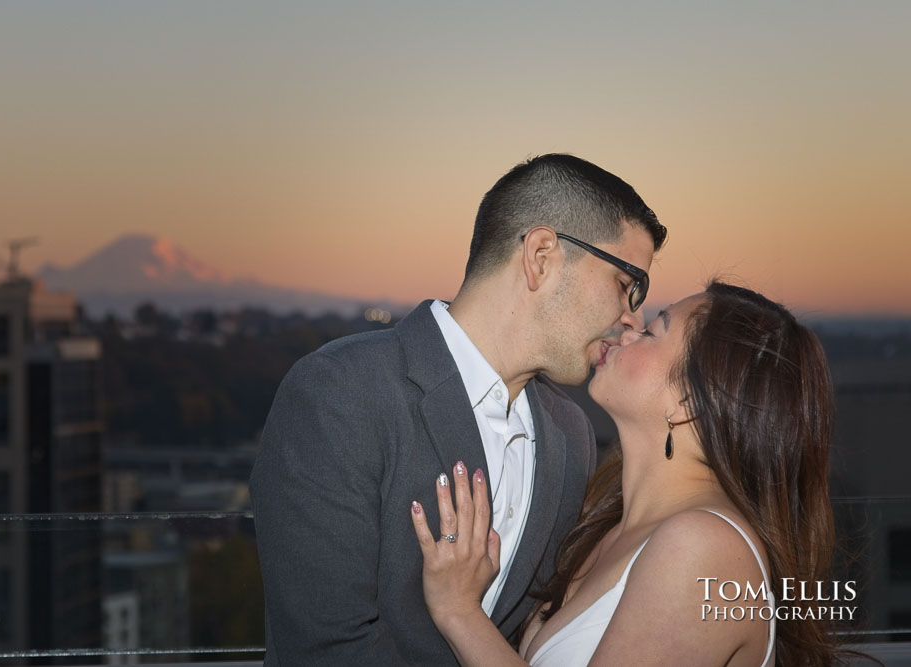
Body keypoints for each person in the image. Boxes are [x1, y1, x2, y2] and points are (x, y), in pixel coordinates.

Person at [250, 153, 667, 665]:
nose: (633, 319)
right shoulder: (340, 392)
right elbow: (322, 651)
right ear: (541, 256)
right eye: (628, 285)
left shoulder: (571, 434)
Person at [412, 281, 844, 666]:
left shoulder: (704, 548)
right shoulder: (608, 529)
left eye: (654, 330)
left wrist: (460, 612)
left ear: (689, 403)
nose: (628, 329)